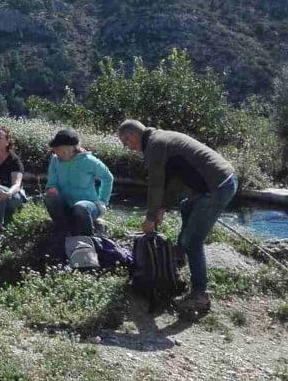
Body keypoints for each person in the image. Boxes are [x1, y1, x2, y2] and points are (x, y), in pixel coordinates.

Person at [117, 119, 238, 314]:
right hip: (219, 182)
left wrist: (149, 217)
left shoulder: (155, 146)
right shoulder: (160, 138)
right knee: (186, 206)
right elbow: (172, 180)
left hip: (217, 188)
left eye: (126, 143)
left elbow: (156, 184)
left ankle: (200, 295)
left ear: (132, 136)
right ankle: (178, 262)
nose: (128, 148)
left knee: (192, 241)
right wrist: (162, 207)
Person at [43, 128, 114, 237]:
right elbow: (51, 183)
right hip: (66, 205)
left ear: (70, 148)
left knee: (80, 207)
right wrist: (51, 189)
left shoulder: (89, 161)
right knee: (49, 198)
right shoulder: (55, 161)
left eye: (59, 150)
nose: (57, 153)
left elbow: (108, 177)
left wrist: (103, 201)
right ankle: (63, 232)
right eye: (55, 150)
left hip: (88, 206)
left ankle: (86, 239)